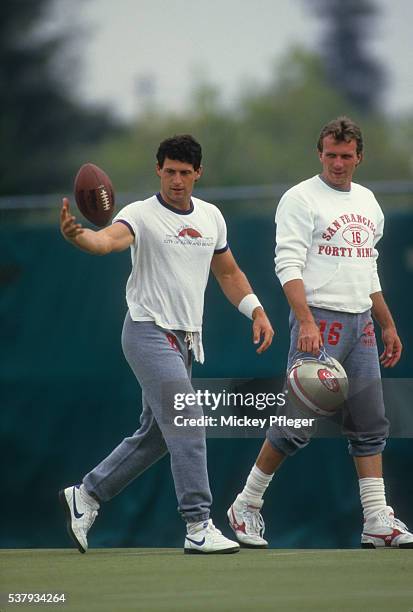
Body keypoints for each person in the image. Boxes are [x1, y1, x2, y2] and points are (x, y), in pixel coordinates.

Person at [59, 134, 274, 555]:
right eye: (169, 171)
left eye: (184, 172)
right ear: (159, 170)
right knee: (189, 418)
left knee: (157, 436)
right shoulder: (140, 214)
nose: (177, 180)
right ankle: (198, 524)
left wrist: (257, 310)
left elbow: (228, 273)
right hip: (146, 330)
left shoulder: (211, 216)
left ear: (198, 174)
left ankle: (86, 495)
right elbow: (107, 241)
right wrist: (80, 237)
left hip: (185, 342)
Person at [228, 116, 413, 549]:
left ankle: (375, 521)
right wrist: (306, 321)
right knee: (297, 424)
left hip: (361, 322)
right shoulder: (300, 198)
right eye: (330, 154)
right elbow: (287, 265)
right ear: (320, 153)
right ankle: (246, 504)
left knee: (370, 423)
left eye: (346, 156)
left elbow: (367, 268)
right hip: (320, 321)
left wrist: (386, 323)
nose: (337, 163)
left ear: (359, 157)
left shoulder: (369, 203)